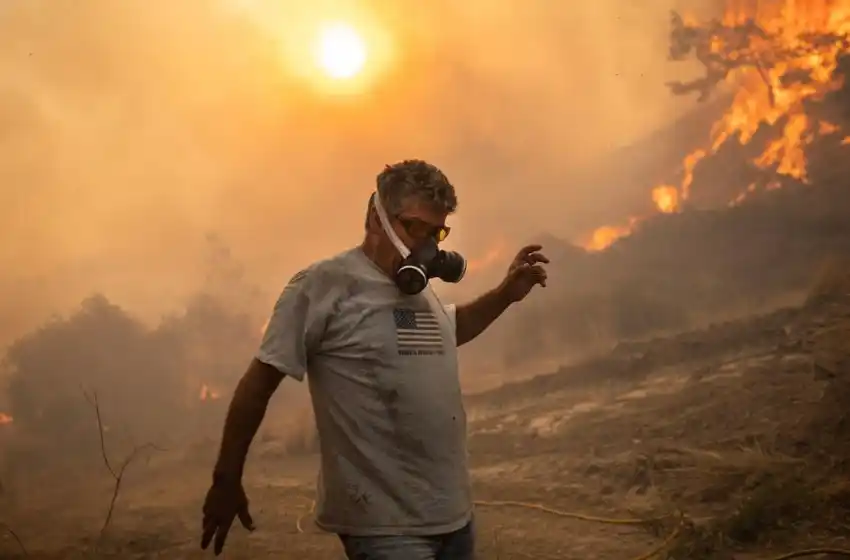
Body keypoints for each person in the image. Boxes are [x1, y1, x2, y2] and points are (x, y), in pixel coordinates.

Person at [200, 159, 549, 560]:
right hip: (384, 528)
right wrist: (226, 478)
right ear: (375, 217)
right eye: (414, 228)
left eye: (436, 232)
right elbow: (258, 383)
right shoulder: (323, 286)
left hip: (453, 517)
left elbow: (447, 333)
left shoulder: (415, 287)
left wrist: (505, 295)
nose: (426, 245)